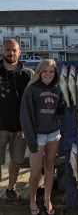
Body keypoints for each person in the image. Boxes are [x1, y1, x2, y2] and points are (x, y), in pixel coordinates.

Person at [20, 59, 64, 215]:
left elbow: (60, 109)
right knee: (35, 173)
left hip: (53, 134)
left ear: (55, 73)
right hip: (37, 136)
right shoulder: (31, 90)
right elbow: (25, 118)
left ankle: (47, 199)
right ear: (39, 72)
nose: (48, 74)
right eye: (44, 71)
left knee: (50, 168)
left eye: (51, 71)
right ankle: (32, 200)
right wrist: (31, 140)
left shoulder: (58, 88)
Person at [0, 39, 33, 204]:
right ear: (2, 51)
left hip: (20, 128)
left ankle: (10, 189)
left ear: (19, 52)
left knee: (16, 161)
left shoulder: (28, 74)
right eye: (7, 50)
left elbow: (35, 99)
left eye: (14, 50)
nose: (10, 53)